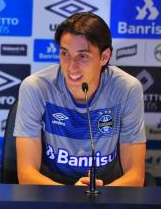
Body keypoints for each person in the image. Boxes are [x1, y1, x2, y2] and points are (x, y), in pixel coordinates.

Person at [14, 12, 146, 186]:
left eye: (82, 56)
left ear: (104, 57)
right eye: (64, 54)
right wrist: (72, 197)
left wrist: (96, 195)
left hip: (108, 194)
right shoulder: (36, 87)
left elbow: (135, 176)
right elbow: (26, 174)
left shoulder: (127, 89)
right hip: (50, 195)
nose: (71, 67)